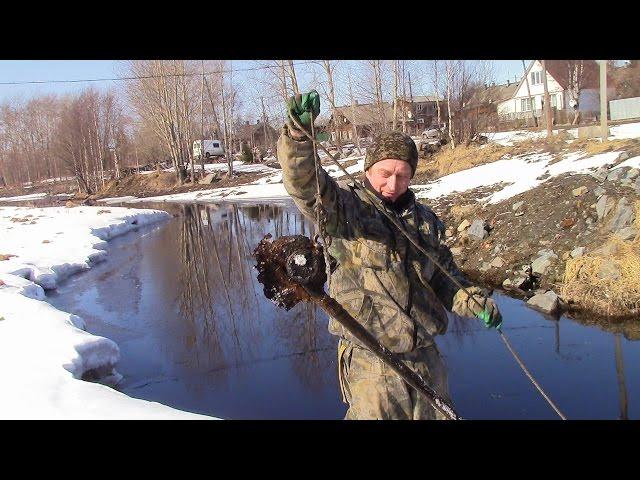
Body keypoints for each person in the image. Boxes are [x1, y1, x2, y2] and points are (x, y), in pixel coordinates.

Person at [278, 91, 502, 420]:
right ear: (369, 170)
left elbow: (443, 276)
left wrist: (474, 301)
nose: (392, 184)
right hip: (373, 362)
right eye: (385, 173)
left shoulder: (423, 220)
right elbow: (305, 184)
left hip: (425, 360)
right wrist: (299, 136)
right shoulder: (346, 211)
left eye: (402, 175)